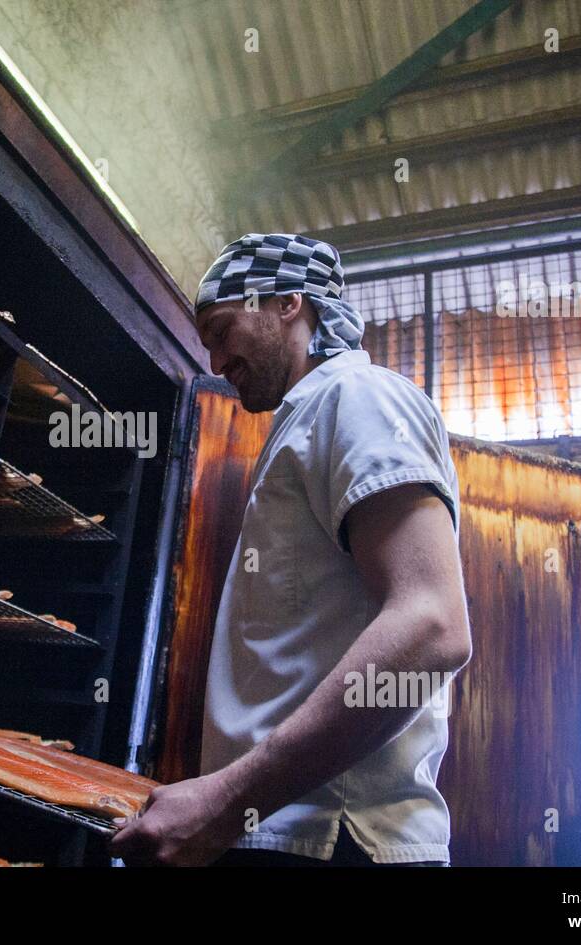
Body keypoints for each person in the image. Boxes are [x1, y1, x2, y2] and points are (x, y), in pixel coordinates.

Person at [110, 233, 472, 867]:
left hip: (332, 839)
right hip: (294, 832)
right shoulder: (308, 418)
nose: (217, 360)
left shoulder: (357, 397)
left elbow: (432, 629)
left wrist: (224, 802)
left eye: (222, 330)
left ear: (286, 303)